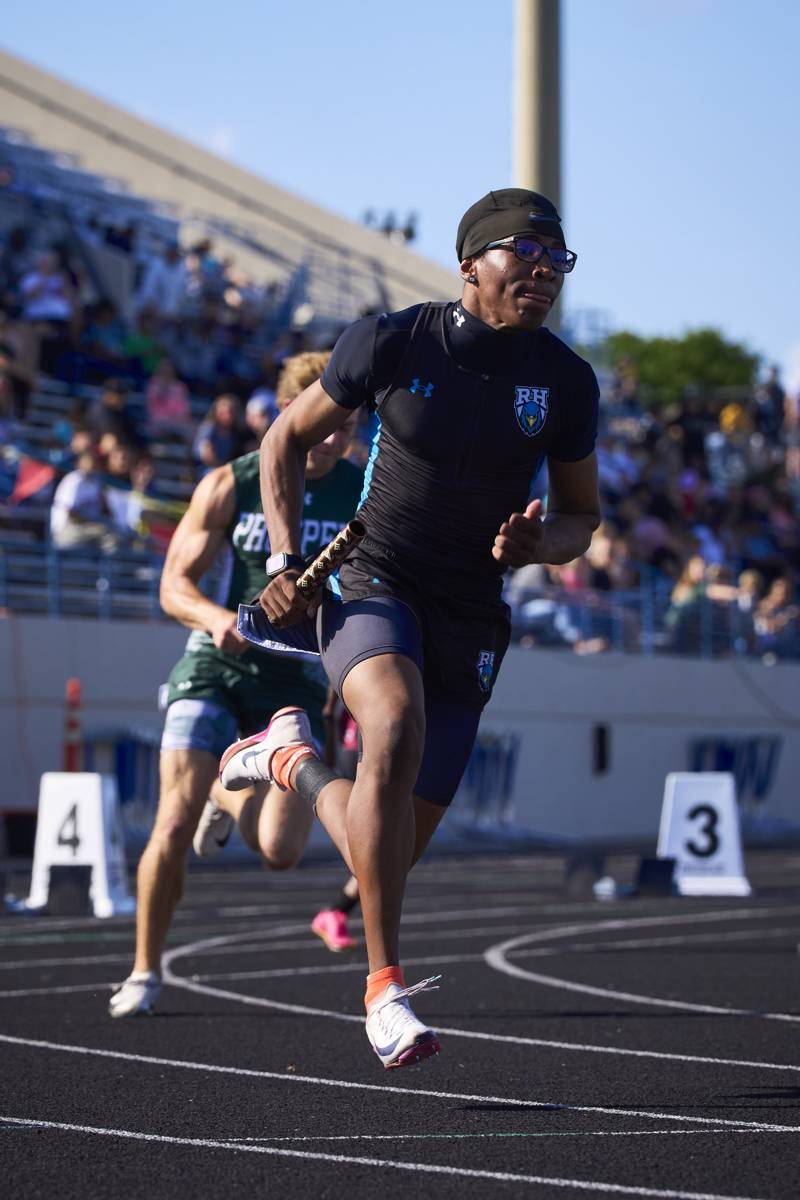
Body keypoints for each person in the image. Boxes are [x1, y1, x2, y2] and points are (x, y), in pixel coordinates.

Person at [221, 189, 601, 1069]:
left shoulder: (569, 382)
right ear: (471, 263)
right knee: (391, 722)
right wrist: (285, 564)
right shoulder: (393, 339)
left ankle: (291, 760)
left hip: (472, 610)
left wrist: (540, 544)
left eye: (559, 259)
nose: (544, 271)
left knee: (384, 851)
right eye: (526, 253)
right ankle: (384, 988)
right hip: (374, 578)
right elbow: (283, 440)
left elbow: (584, 518)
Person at [108, 351, 364, 1018]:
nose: (337, 436)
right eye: (327, 421)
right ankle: (144, 971)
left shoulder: (363, 492)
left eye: (349, 424)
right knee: (174, 815)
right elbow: (173, 586)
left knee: (280, 851)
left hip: (297, 678)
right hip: (215, 665)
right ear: (290, 412)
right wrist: (219, 619)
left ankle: (237, 781)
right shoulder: (232, 482)